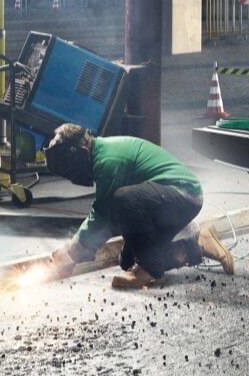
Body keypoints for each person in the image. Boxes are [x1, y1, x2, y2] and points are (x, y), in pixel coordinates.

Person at [40, 123, 235, 289]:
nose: (71, 176)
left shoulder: (108, 160)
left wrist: (69, 254)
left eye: (70, 169)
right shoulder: (101, 153)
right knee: (127, 261)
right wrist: (80, 252)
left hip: (184, 194)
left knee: (123, 199)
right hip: (166, 199)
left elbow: (102, 215)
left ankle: (151, 271)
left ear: (81, 152)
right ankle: (197, 245)